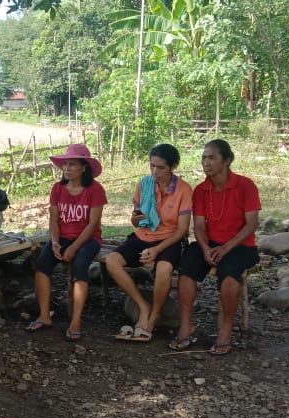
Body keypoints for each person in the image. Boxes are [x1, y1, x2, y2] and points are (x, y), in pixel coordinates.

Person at [170, 139, 260, 355]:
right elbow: (199, 226)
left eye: (212, 158)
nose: (206, 163)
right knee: (186, 271)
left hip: (240, 245)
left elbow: (252, 224)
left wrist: (225, 248)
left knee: (229, 276)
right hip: (209, 245)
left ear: (226, 161)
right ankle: (186, 326)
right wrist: (205, 249)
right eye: (204, 158)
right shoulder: (201, 190)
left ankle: (225, 330)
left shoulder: (245, 185)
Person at [106, 143, 192, 342]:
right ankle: (143, 306)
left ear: (173, 166)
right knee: (112, 261)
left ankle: (154, 317)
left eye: (160, 167)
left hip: (170, 239)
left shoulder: (183, 190)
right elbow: (135, 219)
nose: (155, 171)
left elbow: (182, 230)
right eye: (152, 166)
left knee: (163, 270)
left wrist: (156, 250)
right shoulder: (144, 184)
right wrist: (137, 219)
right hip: (143, 235)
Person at [25, 144, 106, 342]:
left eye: (72, 164)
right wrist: (54, 241)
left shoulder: (95, 190)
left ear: (84, 167)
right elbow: (53, 220)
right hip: (62, 236)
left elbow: (92, 224)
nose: (67, 168)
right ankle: (45, 316)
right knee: (42, 266)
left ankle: (75, 321)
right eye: (65, 164)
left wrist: (74, 247)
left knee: (80, 268)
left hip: (88, 238)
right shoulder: (57, 188)